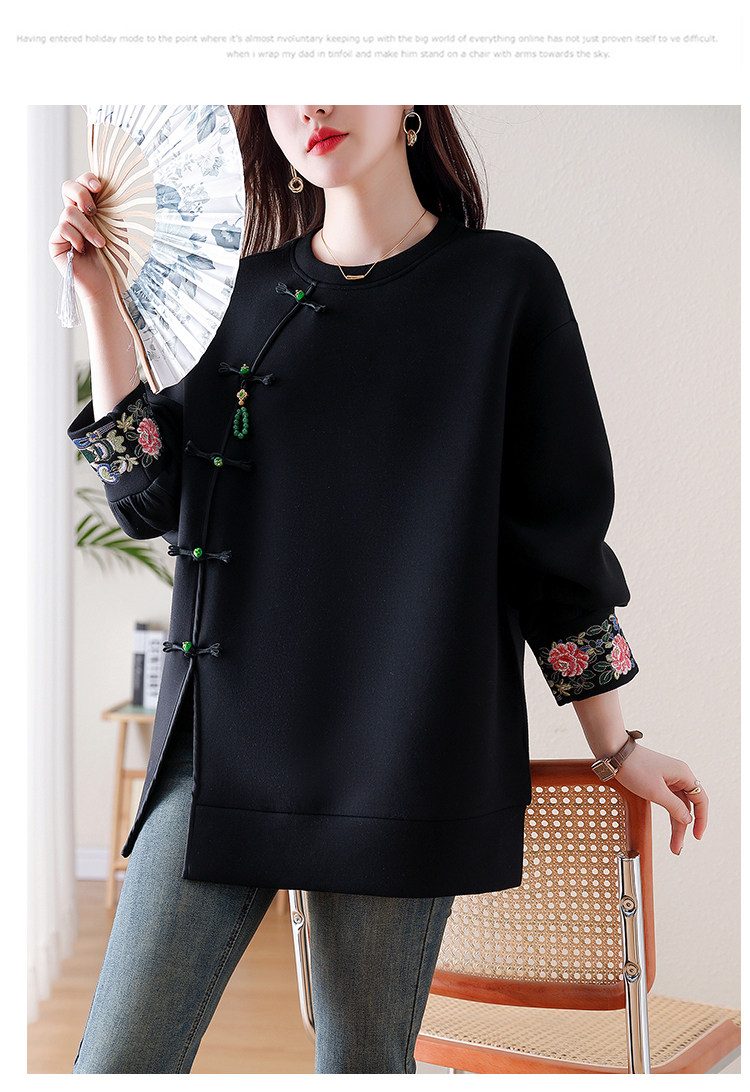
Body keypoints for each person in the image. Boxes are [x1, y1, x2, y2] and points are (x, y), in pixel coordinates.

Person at [50, 105, 709, 1075]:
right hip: (222, 749)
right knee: (116, 1063)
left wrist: (617, 745)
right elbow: (148, 498)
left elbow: (554, 544)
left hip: (401, 752)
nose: (312, 107)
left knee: (361, 1064)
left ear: (409, 100)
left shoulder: (505, 285)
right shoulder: (241, 294)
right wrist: (102, 299)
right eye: (289, 87)